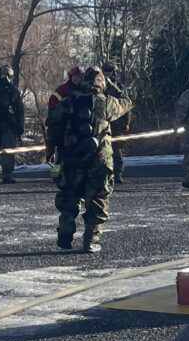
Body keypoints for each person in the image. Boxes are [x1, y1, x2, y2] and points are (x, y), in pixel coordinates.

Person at [46, 65, 133, 253]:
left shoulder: (67, 103)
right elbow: (127, 102)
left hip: (71, 159)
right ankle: (91, 240)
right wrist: (112, 86)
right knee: (98, 200)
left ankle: (66, 231)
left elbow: (53, 127)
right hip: (99, 161)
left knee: (70, 195)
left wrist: (50, 150)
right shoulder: (107, 103)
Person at [102, 61, 131, 184]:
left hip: (118, 123)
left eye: (114, 71)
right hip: (105, 123)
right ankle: (106, 174)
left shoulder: (119, 87)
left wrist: (127, 123)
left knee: (117, 151)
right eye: (109, 71)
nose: (113, 74)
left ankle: (118, 173)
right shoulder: (101, 87)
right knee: (103, 150)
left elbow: (127, 105)